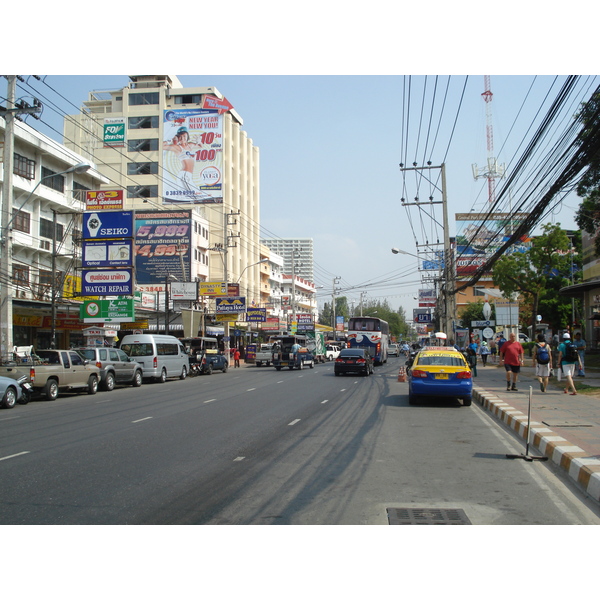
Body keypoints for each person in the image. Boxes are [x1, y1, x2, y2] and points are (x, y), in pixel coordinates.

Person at [163, 127, 214, 202]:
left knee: (191, 196)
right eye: (180, 137)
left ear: (187, 136)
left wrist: (199, 141)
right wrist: (169, 140)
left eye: (184, 136)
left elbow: (200, 146)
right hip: (184, 175)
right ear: (178, 137)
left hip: (189, 175)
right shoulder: (177, 147)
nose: (182, 138)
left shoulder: (190, 145)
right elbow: (162, 146)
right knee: (195, 195)